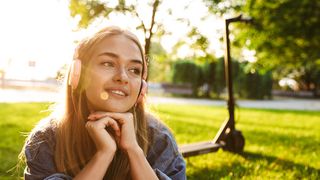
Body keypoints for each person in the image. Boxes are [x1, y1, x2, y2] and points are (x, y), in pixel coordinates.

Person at [19, 26, 186, 180]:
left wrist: (134, 151)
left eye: (134, 69)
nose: (123, 77)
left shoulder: (159, 138)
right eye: (108, 63)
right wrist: (104, 154)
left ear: (142, 85)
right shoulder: (46, 139)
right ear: (79, 75)